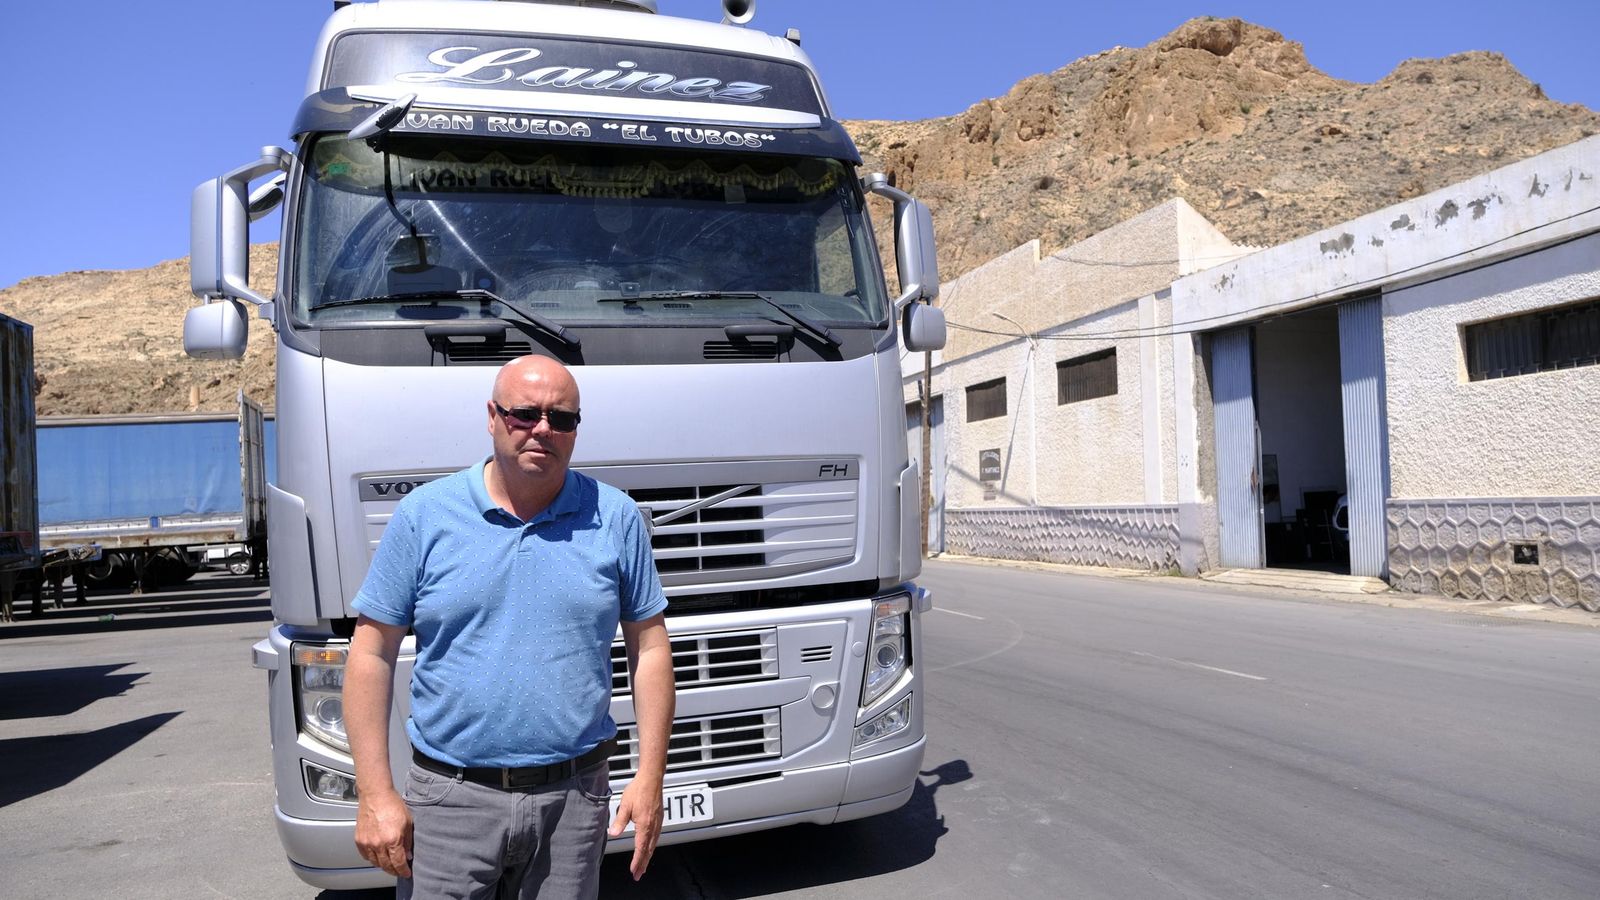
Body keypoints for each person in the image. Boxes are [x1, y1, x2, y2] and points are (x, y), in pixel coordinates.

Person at [344, 355, 674, 899]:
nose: (543, 429)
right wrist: (375, 793)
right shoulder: (424, 516)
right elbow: (371, 653)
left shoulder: (615, 517)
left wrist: (651, 776)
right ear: (492, 417)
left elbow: (651, 648)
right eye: (525, 414)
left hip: (573, 802)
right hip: (450, 800)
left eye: (562, 418)